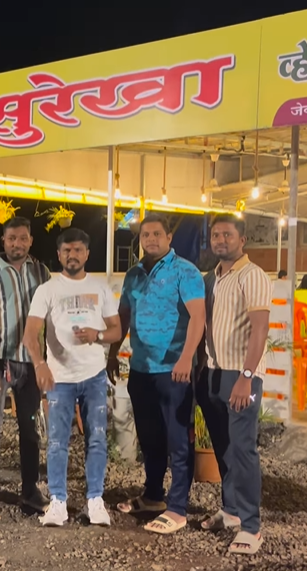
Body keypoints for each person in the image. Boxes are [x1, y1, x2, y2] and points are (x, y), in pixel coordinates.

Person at [108, 214, 205, 534]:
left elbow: (198, 317)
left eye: (157, 234)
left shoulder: (185, 271)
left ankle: (177, 508)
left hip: (174, 372)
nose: (150, 239)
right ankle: (152, 496)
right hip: (141, 369)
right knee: (150, 438)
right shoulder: (133, 274)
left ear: (169, 238)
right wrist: (112, 353)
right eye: (145, 235)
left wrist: (186, 358)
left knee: (178, 440)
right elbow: (124, 316)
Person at [23, 228, 121, 527]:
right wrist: (40, 365)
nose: (72, 255)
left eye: (78, 250)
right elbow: (30, 334)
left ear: (87, 254)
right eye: (67, 250)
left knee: (97, 438)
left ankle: (95, 500)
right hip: (59, 378)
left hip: (93, 376)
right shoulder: (47, 290)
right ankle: (58, 502)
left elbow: (116, 330)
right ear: (59, 254)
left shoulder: (100, 288)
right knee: (57, 441)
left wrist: (97, 335)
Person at [196, 214, 271, 555]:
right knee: (224, 447)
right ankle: (231, 511)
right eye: (215, 235)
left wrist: (246, 376)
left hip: (241, 375)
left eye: (227, 234)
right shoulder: (212, 278)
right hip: (213, 373)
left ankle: (252, 527)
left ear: (242, 240)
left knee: (243, 450)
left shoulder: (251, 275)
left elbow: (260, 329)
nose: (220, 240)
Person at [0, 217, 51, 521]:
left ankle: (30, 491)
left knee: (31, 429)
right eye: (11, 238)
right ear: (3, 241)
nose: (17, 244)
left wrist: (47, 361)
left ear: (30, 240)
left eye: (23, 238)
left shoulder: (41, 272)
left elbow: (50, 317)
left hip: (30, 364)